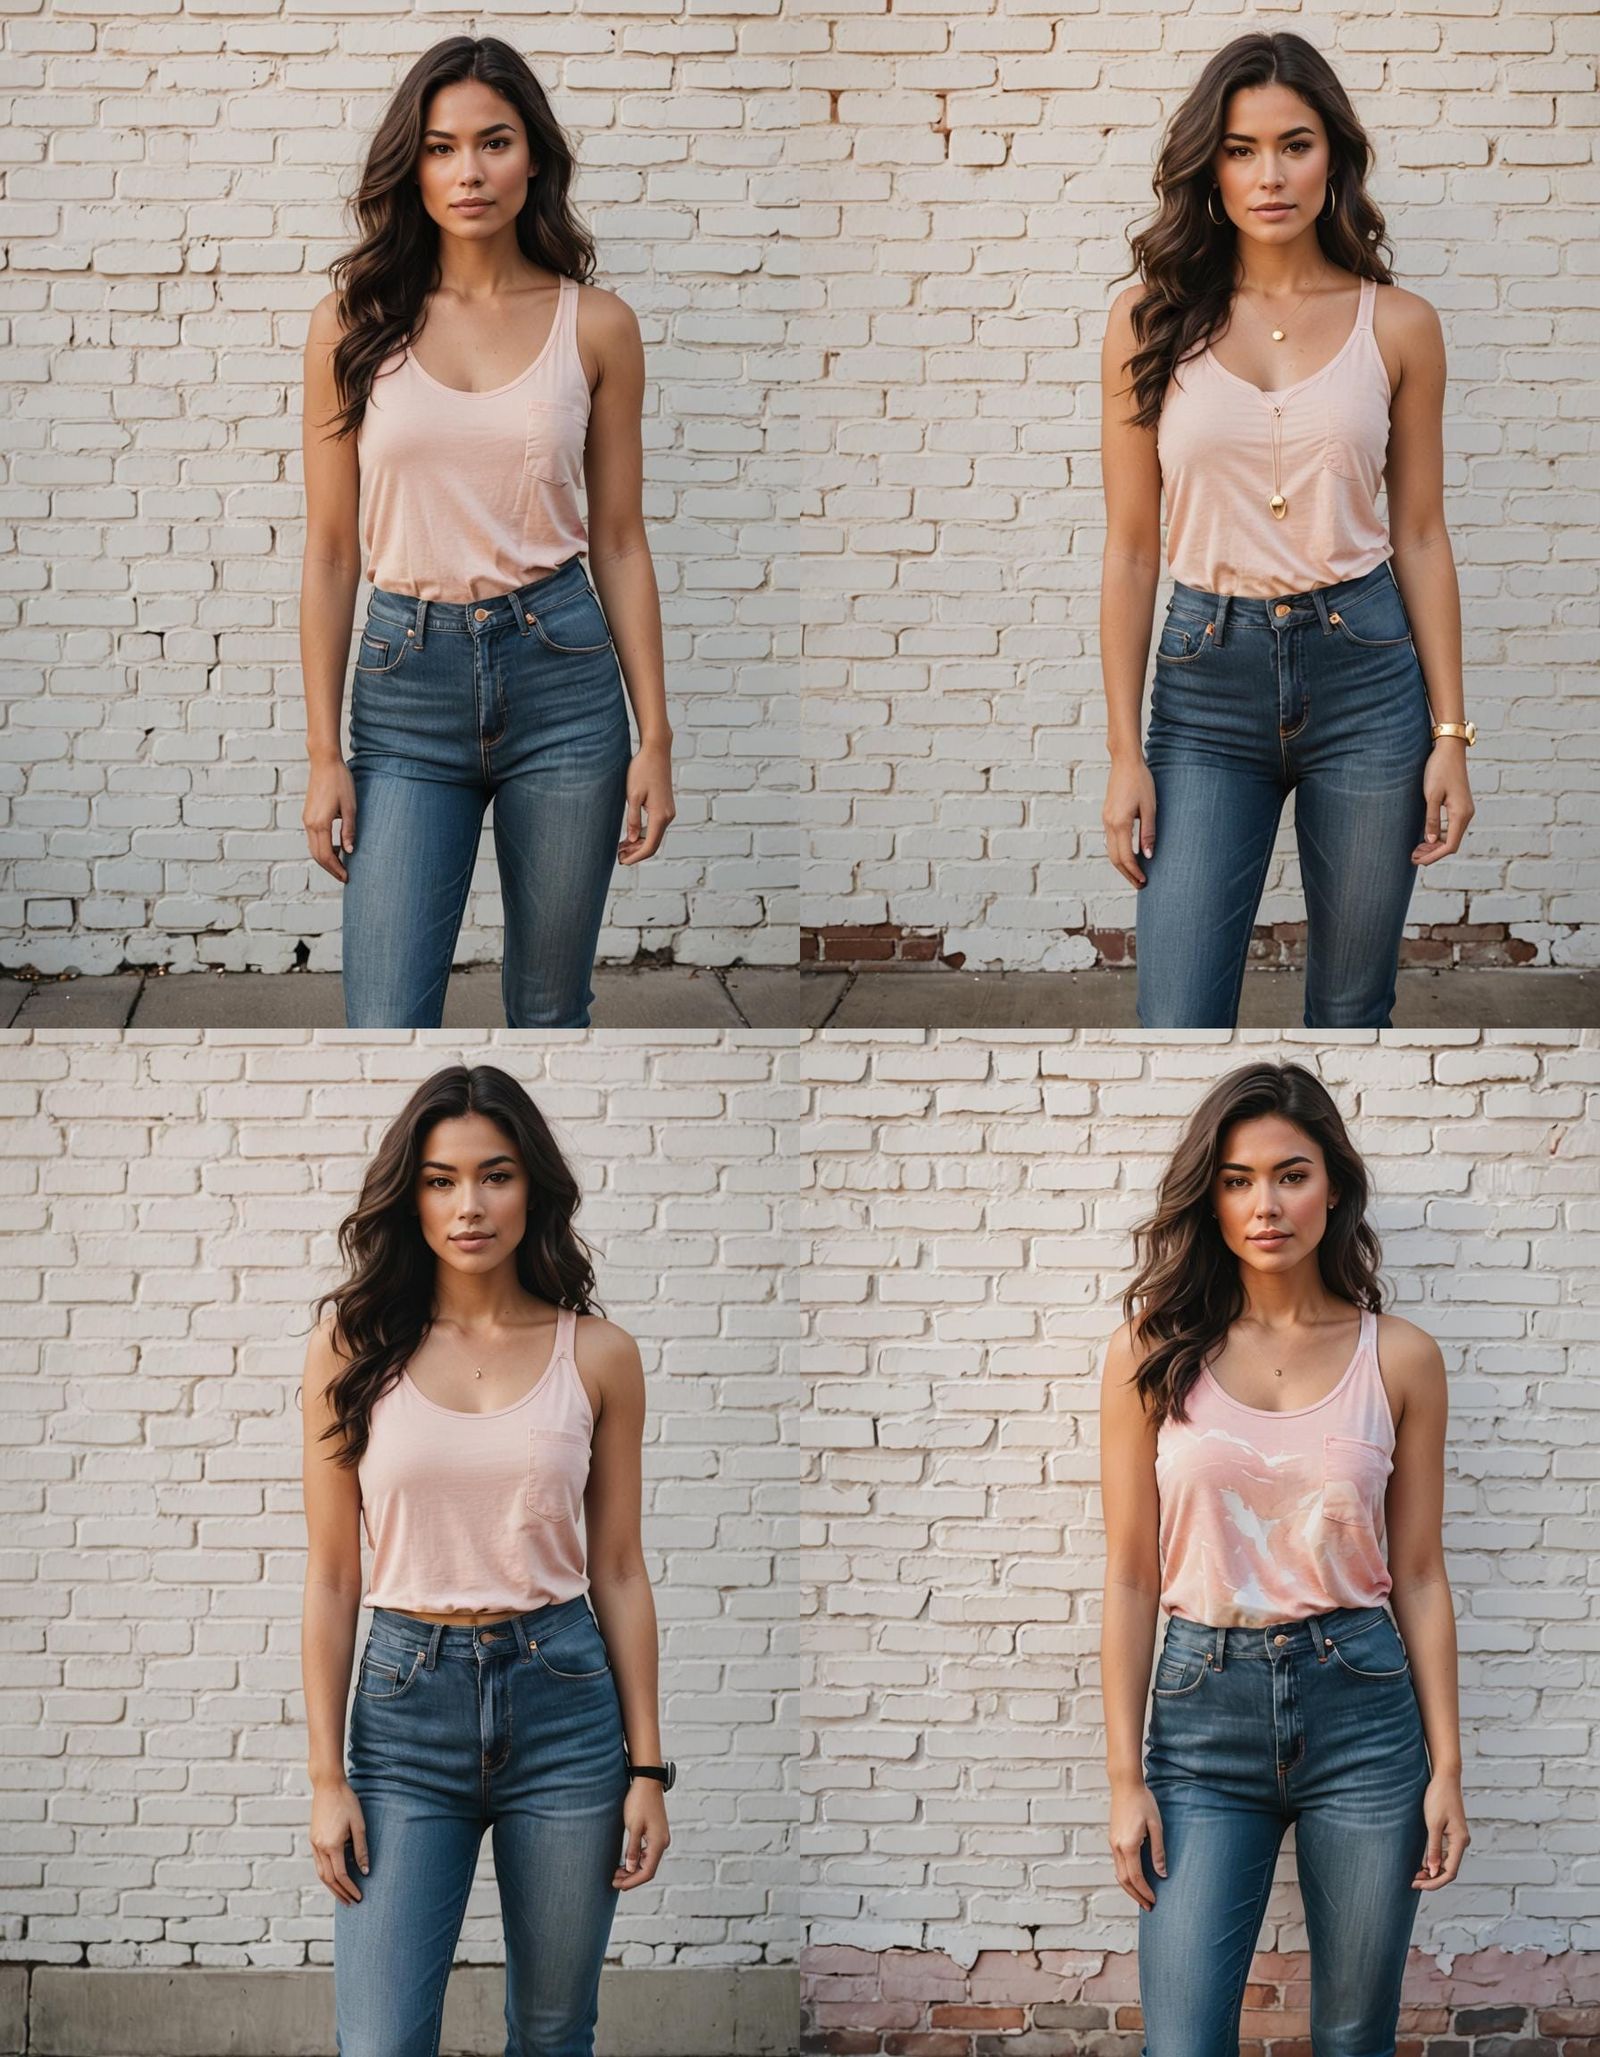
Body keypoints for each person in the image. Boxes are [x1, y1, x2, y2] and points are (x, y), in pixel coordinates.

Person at [1098, 32, 1475, 1028]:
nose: (1269, 175)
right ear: (1209, 168)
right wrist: (1124, 752)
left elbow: (1421, 536)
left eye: (1294, 145)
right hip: (1205, 684)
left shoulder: (1398, 324)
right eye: (1240, 149)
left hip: (1368, 679)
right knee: (1177, 1016)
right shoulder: (1146, 320)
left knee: (1351, 1008)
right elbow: (1130, 549)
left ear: (1332, 157)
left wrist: (1450, 735)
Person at [299, 37, 675, 1028]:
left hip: (564, 680)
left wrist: (656, 738)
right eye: (441, 147)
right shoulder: (351, 322)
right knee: (385, 1018)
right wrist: (323, 753)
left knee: (551, 1011)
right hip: (405, 686)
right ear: (412, 166)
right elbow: (331, 551)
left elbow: (620, 540)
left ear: (533, 157)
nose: (468, 171)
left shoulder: (596, 324)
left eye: (494, 142)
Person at [299, 1063, 674, 2055]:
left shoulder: (599, 1353)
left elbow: (619, 1568)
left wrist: (647, 1766)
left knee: (553, 2031)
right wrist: (325, 1776)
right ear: (410, 1195)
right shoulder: (351, 1346)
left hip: (566, 1707)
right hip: (404, 1713)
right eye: (440, 1179)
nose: (469, 1204)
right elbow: (333, 1575)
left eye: (495, 1174)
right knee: (381, 2039)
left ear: (532, 1187)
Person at [1098, 1060, 1470, 2055]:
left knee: (1353, 2035)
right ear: (1210, 1197)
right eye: (1237, 1179)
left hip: (1364, 1712)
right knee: (1183, 2040)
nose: (1265, 1204)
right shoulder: (1150, 1351)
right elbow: (1131, 1575)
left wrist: (1447, 1766)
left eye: (1291, 1174)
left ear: (1332, 1186)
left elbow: (1419, 1572)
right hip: (1200, 1717)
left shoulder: (1399, 1356)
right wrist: (1124, 1777)